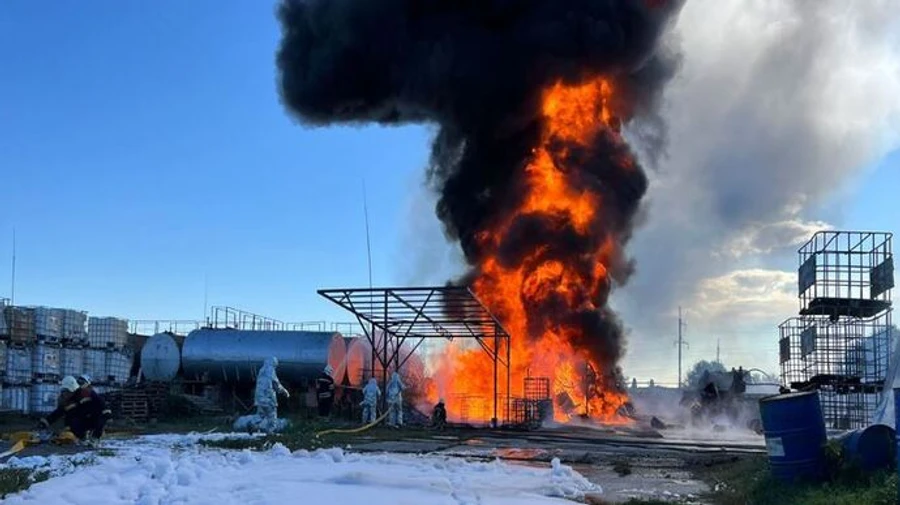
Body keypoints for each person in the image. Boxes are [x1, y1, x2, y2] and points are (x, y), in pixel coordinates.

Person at [40, 375, 111, 446]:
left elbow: (100, 401)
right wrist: (45, 422)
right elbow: (58, 413)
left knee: (101, 416)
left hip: (94, 417)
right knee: (70, 420)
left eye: (66, 391)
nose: (64, 394)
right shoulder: (69, 401)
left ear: (71, 389)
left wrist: (106, 412)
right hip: (83, 420)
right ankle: (82, 437)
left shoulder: (85, 393)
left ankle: (95, 438)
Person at [254, 357, 290, 433]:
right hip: (269, 398)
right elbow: (276, 384)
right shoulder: (271, 371)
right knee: (272, 416)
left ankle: (253, 425)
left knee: (260, 415)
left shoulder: (261, 371)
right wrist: (285, 391)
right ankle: (270, 433)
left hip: (259, 398)